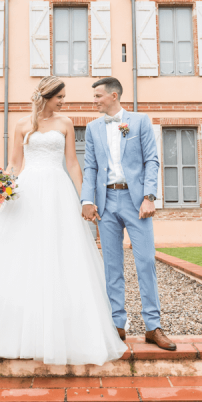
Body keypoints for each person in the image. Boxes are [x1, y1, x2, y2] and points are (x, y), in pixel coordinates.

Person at [0, 76, 127, 365]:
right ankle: (14, 327)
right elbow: (15, 164)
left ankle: (64, 328)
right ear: (46, 96)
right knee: (21, 255)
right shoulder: (21, 125)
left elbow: (72, 163)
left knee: (62, 255)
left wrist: (85, 200)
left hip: (58, 191)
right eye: (60, 97)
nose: (63, 102)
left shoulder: (65, 123)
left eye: (64, 98)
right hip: (27, 192)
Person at [81, 77, 176, 351]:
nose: (95, 100)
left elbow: (151, 160)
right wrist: (88, 199)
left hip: (136, 202)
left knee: (145, 262)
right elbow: (90, 168)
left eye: (98, 96)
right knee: (112, 266)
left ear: (114, 95)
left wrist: (149, 197)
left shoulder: (140, 121)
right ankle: (116, 326)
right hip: (106, 202)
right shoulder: (92, 128)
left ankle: (152, 327)